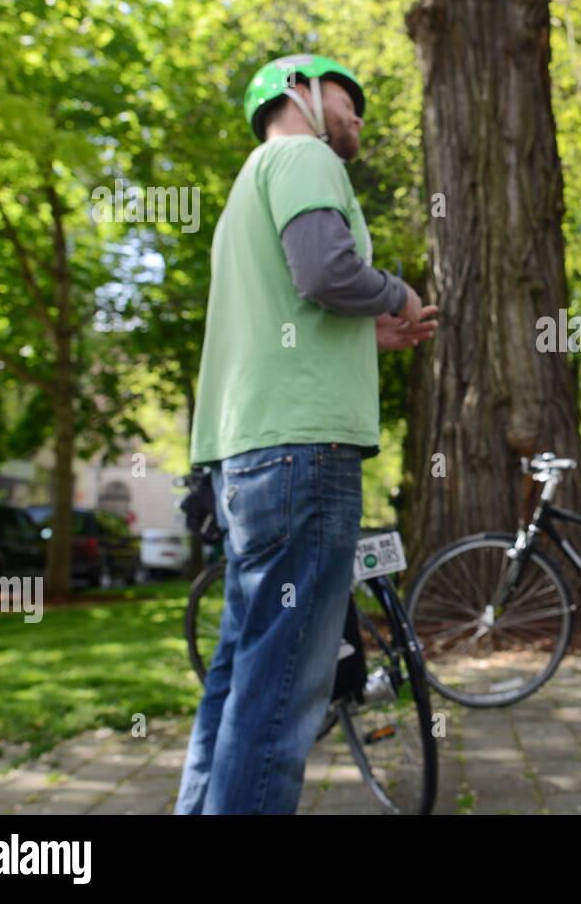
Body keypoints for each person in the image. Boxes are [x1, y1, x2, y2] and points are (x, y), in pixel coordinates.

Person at [175, 53, 437, 814]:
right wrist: (398, 290)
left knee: (240, 672)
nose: (358, 115)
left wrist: (370, 335)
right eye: (345, 98)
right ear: (297, 92)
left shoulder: (245, 190)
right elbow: (325, 271)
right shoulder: (302, 155)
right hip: (302, 454)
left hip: (247, 458)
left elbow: (294, 309)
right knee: (285, 684)